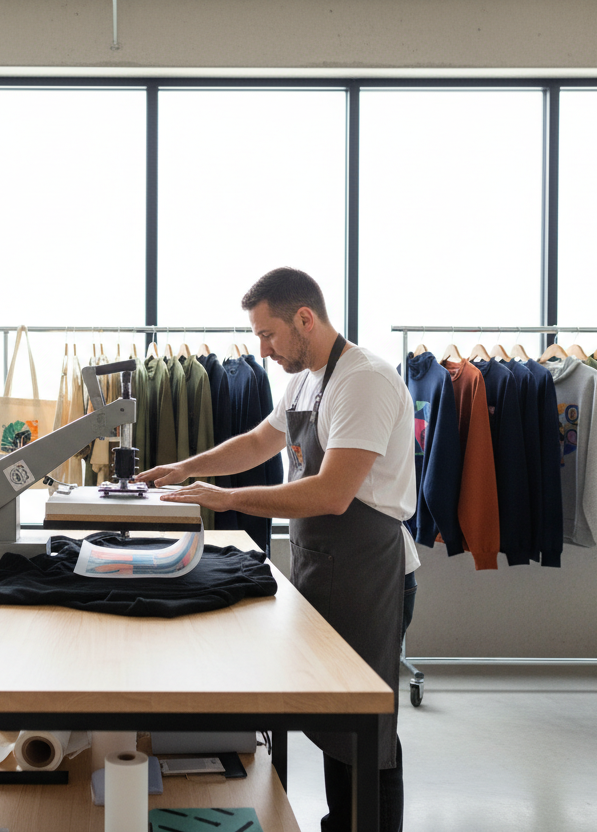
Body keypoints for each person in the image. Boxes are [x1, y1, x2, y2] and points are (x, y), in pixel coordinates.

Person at [135, 267, 419, 832]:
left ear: (305, 319)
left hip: (370, 573)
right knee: (336, 723)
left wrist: (225, 497)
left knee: (366, 729)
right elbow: (259, 441)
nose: (262, 350)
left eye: (268, 335)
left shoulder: (364, 380)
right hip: (321, 567)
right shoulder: (307, 380)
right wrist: (185, 468)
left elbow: (334, 494)